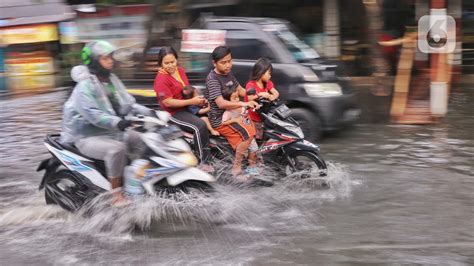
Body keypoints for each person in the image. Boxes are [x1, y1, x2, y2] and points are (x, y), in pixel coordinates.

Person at [60, 40, 154, 204]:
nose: (111, 60)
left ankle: (135, 181)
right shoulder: (84, 87)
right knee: (117, 149)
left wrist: (151, 113)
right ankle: (116, 195)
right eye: (105, 58)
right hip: (86, 137)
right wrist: (118, 123)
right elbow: (93, 115)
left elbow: (128, 103)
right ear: (95, 61)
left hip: (111, 132)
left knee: (145, 140)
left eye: (111, 57)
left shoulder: (111, 80)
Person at [201, 46, 260, 180]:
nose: (228, 65)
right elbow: (221, 103)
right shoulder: (213, 79)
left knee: (253, 128)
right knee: (248, 133)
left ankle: (252, 166)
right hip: (221, 119)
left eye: (229, 61)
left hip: (234, 113)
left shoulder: (228, 73)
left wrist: (258, 95)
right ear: (214, 63)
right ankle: (236, 168)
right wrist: (243, 103)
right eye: (223, 62)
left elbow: (240, 90)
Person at [153, 47, 213, 172]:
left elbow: (187, 89)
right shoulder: (161, 80)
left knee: (212, 114)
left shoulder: (180, 70)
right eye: (166, 63)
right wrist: (193, 102)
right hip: (173, 113)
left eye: (172, 62)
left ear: (176, 60)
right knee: (200, 126)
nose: (170, 65)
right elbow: (167, 102)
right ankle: (204, 163)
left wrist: (198, 99)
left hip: (187, 107)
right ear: (161, 63)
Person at [221, 86, 259, 175]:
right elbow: (223, 123)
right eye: (234, 98)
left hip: (249, 132)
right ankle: (240, 167)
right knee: (243, 152)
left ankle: (252, 166)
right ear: (227, 102)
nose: (237, 100)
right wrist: (234, 120)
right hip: (241, 135)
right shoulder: (228, 112)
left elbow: (247, 114)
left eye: (237, 97)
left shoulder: (242, 107)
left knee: (254, 149)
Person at [245, 58, 280, 139]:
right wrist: (260, 94)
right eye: (269, 73)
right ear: (261, 72)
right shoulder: (251, 85)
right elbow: (250, 98)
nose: (270, 76)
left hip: (264, 117)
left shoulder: (268, 83)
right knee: (255, 140)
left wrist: (271, 97)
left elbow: (276, 93)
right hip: (252, 119)